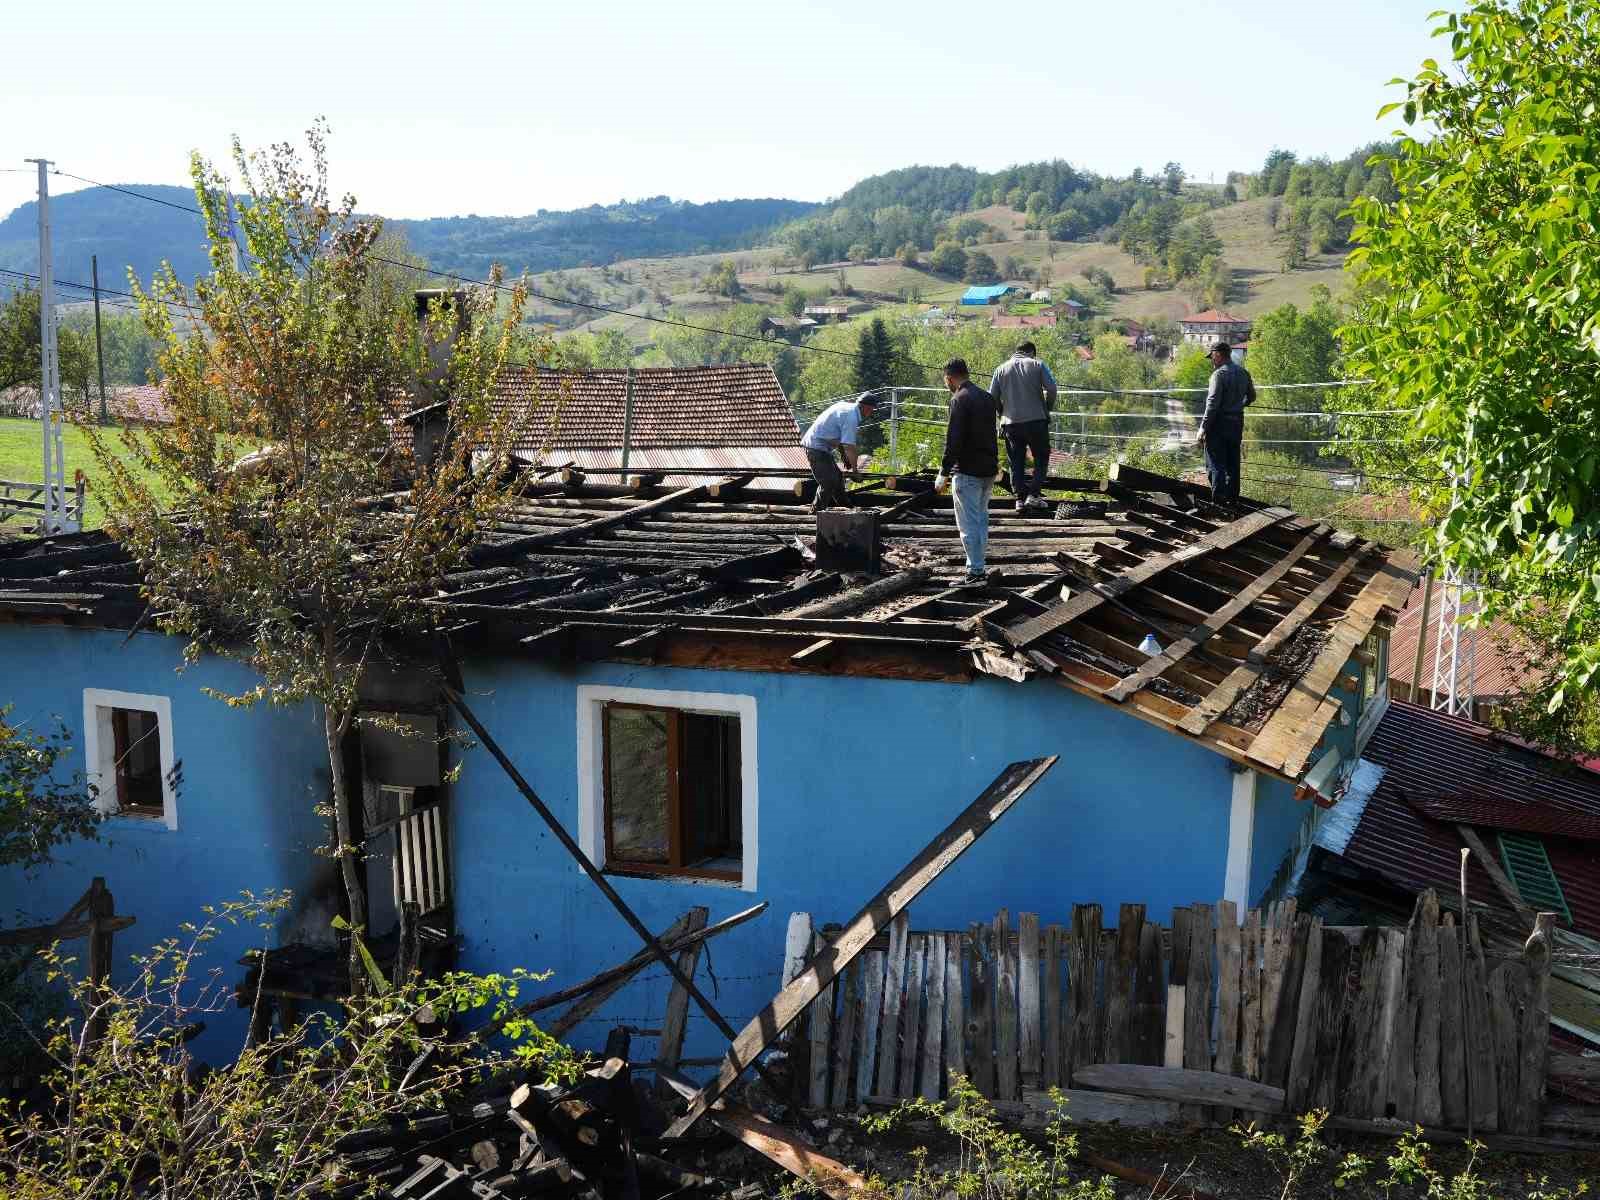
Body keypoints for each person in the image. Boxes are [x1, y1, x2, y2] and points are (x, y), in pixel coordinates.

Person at [933, 358, 999, 582]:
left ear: (949, 378)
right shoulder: (987, 398)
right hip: (988, 470)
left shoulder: (959, 399)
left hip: (968, 472)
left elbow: (954, 440)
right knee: (980, 521)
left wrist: (943, 472)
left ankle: (975, 572)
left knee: (969, 524)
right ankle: (979, 566)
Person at [988, 340, 1058, 512]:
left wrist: (1002, 412)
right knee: (1041, 458)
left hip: (1011, 424)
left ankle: (1019, 499)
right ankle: (1034, 495)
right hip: (1036, 421)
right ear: (1032, 352)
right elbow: (1052, 388)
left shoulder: (1000, 369)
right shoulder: (1038, 364)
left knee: (1016, 461)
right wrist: (1046, 408)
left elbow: (992, 397)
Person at [1194, 341, 1255, 502]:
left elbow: (1212, 403)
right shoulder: (1244, 373)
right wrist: (1238, 405)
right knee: (1233, 462)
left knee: (1215, 462)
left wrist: (1203, 428)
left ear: (1218, 355)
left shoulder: (1218, 375)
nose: (1211, 361)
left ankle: (1219, 501)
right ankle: (1233, 499)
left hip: (1219, 424)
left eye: (1212, 357)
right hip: (1236, 423)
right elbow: (1252, 397)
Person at [800, 391, 878, 509]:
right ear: (866, 407)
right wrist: (855, 471)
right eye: (872, 409)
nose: (871, 412)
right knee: (829, 482)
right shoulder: (851, 417)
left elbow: (835, 436)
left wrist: (843, 454)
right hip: (816, 447)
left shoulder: (847, 408)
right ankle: (816, 513)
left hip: (820, 446)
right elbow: (850, 447)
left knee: (837, 478)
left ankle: (846, 508)